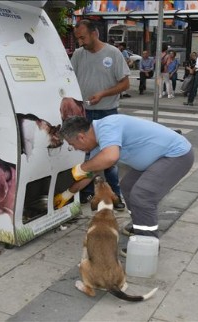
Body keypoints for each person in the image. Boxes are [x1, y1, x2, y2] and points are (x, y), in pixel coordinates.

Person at [54, 115, 194, 243]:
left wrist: (80, 168)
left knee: (142, 195)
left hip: (176, 155)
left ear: (81, 137)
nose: (76, 149)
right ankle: (140, 223)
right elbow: (90, 174)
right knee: (128, 186)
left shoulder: (107, 126)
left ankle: (146, 243)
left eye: (72, 145)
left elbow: (110, 157)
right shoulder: (97, 143)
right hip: (156, 159)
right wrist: (68, 193)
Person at [70, 19, 129, 210]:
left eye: (83, 37)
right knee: (86, 156)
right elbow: (69, 79)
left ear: (95, 33)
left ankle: (115, 195)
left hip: (107, 112)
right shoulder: (79, 55)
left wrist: (103, 94)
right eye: (77, 38)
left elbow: (125, 84)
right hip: (85, 112)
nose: (80, 42)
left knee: (108, 157)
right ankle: (86, 194)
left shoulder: (113, 53)